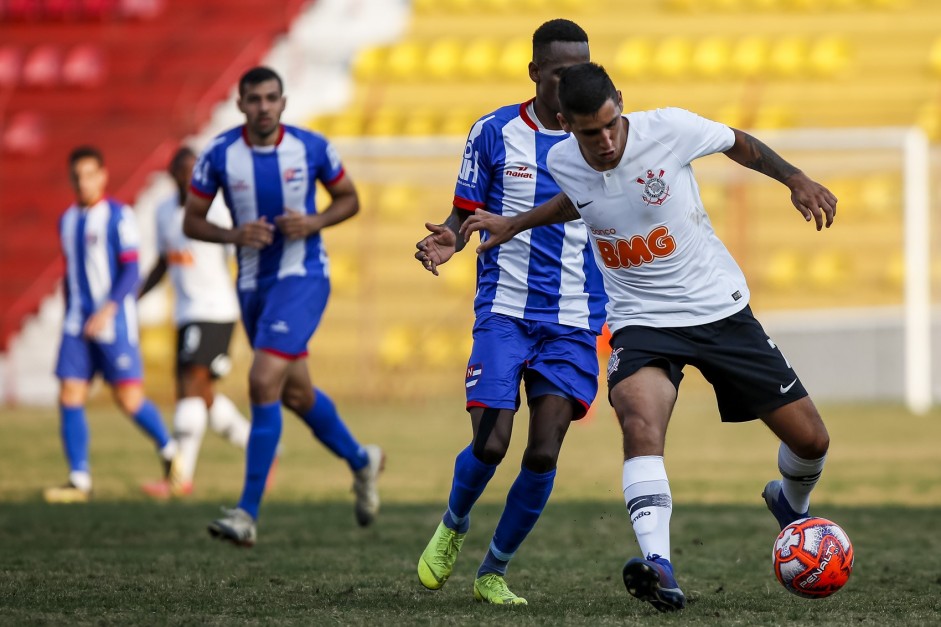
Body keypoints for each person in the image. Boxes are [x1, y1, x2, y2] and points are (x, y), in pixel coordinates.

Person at [461, 62, 837, 613]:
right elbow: (580, 199)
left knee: (812, 442)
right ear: (566, 124)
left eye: (612, 124)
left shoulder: (670, 128)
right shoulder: (564, 159)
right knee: (639, 421)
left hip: (718, 310)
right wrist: (514, 223)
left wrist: (795, 179)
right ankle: (659, 565)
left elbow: (739, 143)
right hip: (640, 320)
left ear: (621, 102)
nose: (606, 141)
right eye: (591, 133)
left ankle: (789, 502)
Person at [413, 20, 607, 605]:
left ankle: (493, 570)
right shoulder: (494, 132)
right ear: (534, 74)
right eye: (559, 73)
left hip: (574, 316)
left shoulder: (604, 137)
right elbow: (460, 212)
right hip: (504, 309)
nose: (571, 82)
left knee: (544, 449)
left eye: (580, 70)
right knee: (492, 443)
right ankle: (454, 521)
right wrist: (448, 238)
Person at [182, 66, 384, 547]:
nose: (264, 107)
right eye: (254, 99)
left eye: (272, 98)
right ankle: (361, 460)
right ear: (240, 106)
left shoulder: (312, 147)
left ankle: (247, 514)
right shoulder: (219, 155)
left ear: (284, 102)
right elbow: (192, 220)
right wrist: (233, 233)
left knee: (260, 378)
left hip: (304, 278)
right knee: (295, 394)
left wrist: (314, 221)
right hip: (253, 286)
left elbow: (350, 200)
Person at [44, 145, 178, 504]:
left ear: (102, 175)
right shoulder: (67, 219)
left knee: (129, 399)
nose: (83, 182)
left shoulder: (119, 217)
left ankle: (169, 450)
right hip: (76, 324)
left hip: (113, 324)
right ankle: (79, 478)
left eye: (89, 174)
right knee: (69, 394)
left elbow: (131, 269)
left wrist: (108, 309)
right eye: (77, 176)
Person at [138, 146, 254, 498]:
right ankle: (260, 447)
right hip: (186, 313)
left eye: (195, 170)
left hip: (216, 311)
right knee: (201, 395)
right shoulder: (162, 213)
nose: (189, 177)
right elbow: (163, 261)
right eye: (183, 170)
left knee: (190, 387)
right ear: (172, 174)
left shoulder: (217, 209)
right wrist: (134, 296)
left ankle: (179, 478)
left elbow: (241, 258)